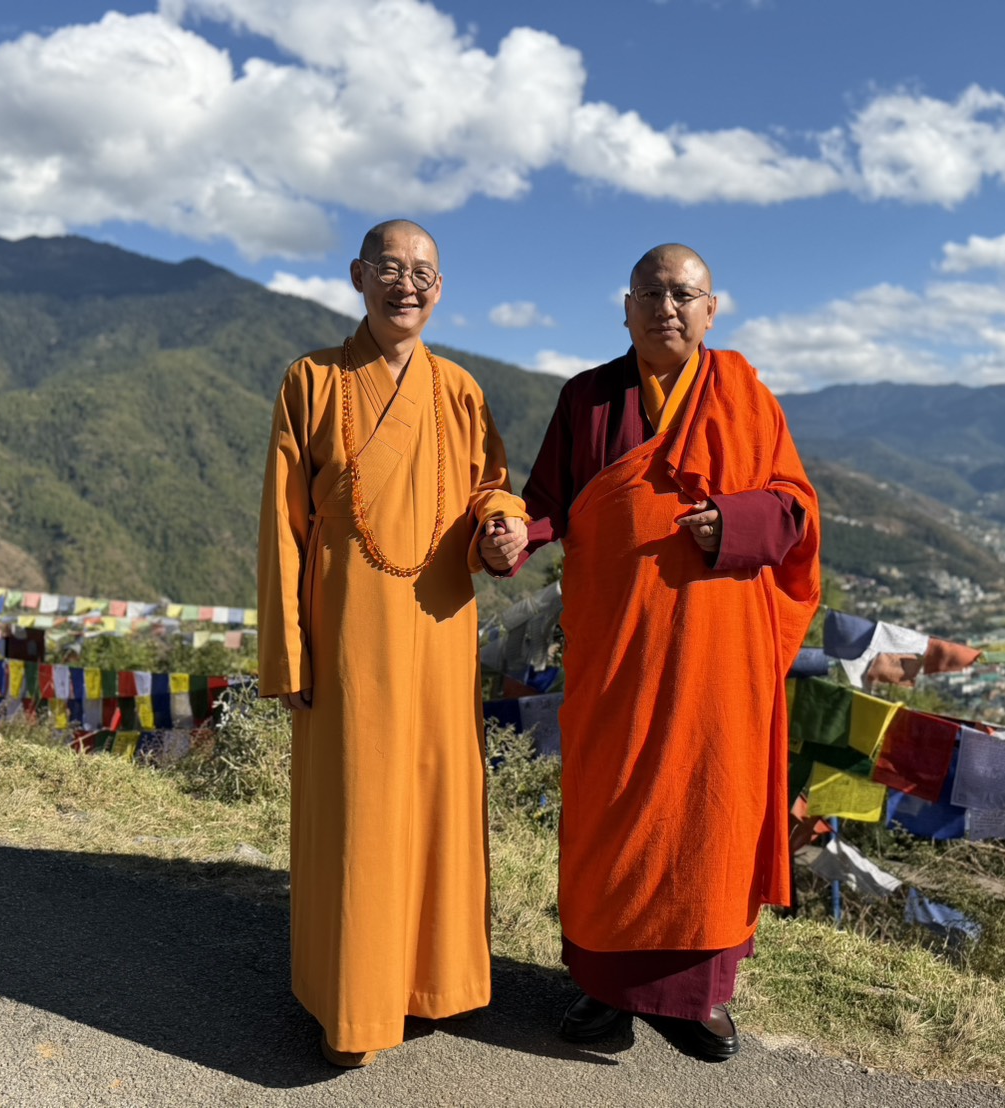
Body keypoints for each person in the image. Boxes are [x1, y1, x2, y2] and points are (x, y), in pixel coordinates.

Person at [519, 244, 820, 1061]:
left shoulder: (745, 397)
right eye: (650, 293)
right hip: (617, 653)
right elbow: (549, 503)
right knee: (610, 811)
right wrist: (516, 532)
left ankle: (696, 997)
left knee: (706, 815)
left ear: (711, 309)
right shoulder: (587, 399)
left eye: (684, 294)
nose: (667, 307)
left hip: (717, 657)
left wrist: (737, 523)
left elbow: (794, 509)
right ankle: (603, 993)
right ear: (625, 308)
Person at [257, 220, 529, 1068]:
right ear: (357, 277)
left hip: (441, 626)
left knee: (437, 800)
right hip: (346, 632)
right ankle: (355, 1006)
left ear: (439, 288)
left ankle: (433, 984)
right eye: (390, 269)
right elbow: (282, 527)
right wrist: (290, 654)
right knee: (360, 814)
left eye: (423, 272)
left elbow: (493, 488)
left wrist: (502, 528)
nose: (405, 284)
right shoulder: (312, 380)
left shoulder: (459, 389)